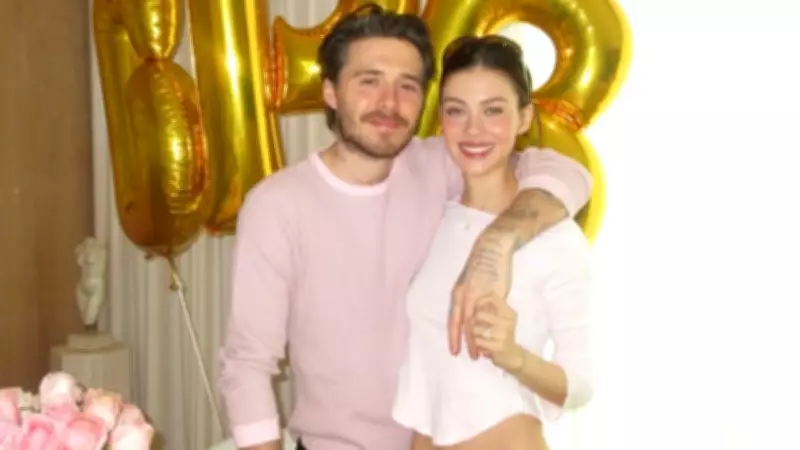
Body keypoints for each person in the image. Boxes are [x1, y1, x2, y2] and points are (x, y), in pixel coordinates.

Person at [218, 6, 592, 450]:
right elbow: (247, 363)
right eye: (369, 81)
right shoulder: (278, 204)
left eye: (407, 85)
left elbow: (564, 173)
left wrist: (497, 240)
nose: (389, 103)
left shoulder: (439, 166)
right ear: (331, 91)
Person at [391, 36, 594, 450]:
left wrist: (513, 355)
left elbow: (579, 387)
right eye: (456, 110)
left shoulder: (554, 236)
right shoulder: (431, 220)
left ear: (524, 118)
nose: (473, 130)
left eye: (493, 110)